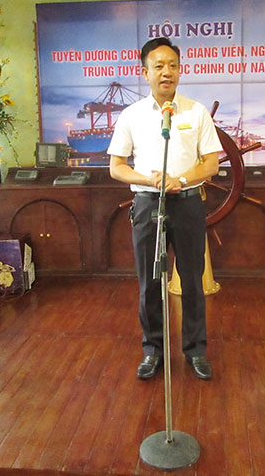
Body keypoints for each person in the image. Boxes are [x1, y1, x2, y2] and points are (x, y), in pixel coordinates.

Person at [108, 37, 222, 380]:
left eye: (172, 65)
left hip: (187, 205)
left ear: (180, 70)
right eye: (158, 66)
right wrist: (150, 179)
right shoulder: (131, 115)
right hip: (147, 205)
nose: (166, 72)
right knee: (149, 283)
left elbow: (211, 164)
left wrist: (181, 180)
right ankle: (152, 351)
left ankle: (196, 351)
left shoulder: (196, 112)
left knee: (192, 281)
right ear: (145, 73)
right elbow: (116, 167)